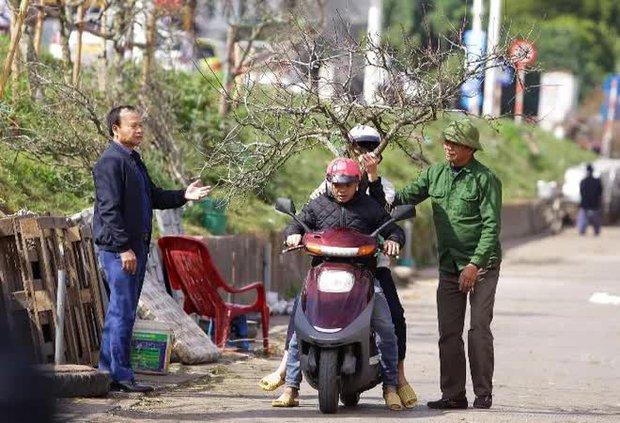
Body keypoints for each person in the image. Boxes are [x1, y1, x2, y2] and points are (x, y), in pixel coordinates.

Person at [259, 125, 417, 408]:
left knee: (390, 321)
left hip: (367, 271)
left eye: (347, 184)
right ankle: (291, 385)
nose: (341, 189)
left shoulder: (374, 197)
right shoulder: (321, 198)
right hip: (323, 270)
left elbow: (387, 223)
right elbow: (300, 218)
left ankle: (394, 383)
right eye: (337, 184)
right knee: (299, 321)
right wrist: (294, 232)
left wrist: (394, 239)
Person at [367, 118, 502, 410]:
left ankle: (483, 393)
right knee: (448, 332)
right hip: (450, 265)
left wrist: (474, 265)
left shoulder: (485, 179)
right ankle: (453, 394)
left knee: (478, 328)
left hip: (482, 266)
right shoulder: (435, 174)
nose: (448, 148)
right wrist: (373, 177)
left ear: (470, 148)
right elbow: (399, 201)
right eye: (446, 142)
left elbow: (491, 228)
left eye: (454, 144)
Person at [93, 105, 211, 392]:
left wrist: (184, 195)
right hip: (120, 252)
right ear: (115, 129)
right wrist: (123, 248)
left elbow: (153, 196)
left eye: (141, 124)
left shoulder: (133, 160)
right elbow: (109, 210)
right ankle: (118, 375)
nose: (139, 129)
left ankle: (110, 373)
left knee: (124, 312)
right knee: (121, 312)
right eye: (132, 125)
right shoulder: (110, 162)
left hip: (136, 248)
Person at [577, 163, 603, 236]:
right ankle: (596, 231)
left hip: (585, 203)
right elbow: (600, 192)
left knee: (583, 218)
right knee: (595, 219)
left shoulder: (583, 181)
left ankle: (582, 230)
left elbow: (581, 192)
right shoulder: (597, 181)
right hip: (594, 203)